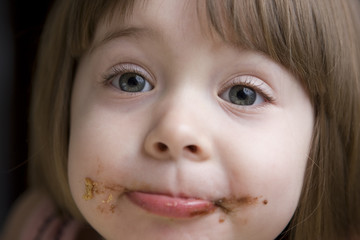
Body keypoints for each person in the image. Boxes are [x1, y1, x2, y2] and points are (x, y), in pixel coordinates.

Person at [2, 0, 360, 239]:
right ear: (65, 101)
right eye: (131, 81)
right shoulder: (38, 228)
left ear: (318, 135)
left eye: (242, 94)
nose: (176, 130)